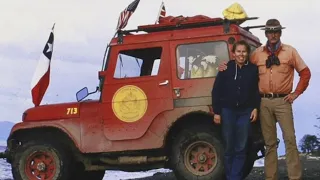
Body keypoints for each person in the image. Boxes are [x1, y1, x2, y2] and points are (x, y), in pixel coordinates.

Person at [218, 19, 312, 180]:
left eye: (276, 31)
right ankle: (271, 177)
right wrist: (225, 66)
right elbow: (242, 64)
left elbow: (305, 73)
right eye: (270, 31)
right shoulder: (257, 54)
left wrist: (296, 93)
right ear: (266, 33)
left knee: (290, 139)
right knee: (269, 143)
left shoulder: (290, 52)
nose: (273, 34)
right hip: (263, 103)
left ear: (280, 33)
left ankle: (295, 177)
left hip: (283, 101)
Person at [211, 40, 260, 180]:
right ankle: (230, 176)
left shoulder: (253, 69)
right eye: (238, 51)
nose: (241, 54)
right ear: (233, 54)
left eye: (244, 51)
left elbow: (255, 92)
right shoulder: (226, 69)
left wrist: (255, 108)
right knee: (228, 147)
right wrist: (217, 112)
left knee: (241, 147)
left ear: (247, 53)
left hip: (245, 112)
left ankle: (234, 177)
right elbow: (216, 91)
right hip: (228, 111)